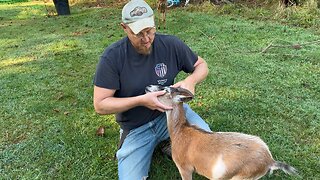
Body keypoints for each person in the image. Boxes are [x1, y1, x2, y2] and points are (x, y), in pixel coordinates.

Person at [93, 0, 211, 179]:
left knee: (209, 147)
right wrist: (141, 100)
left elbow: (201, 65)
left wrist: (191, 80)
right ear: (124, 28)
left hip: (173, 115)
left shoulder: (171, 45)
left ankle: (169, 141)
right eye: (138, 33)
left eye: (149, 31)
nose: (146, 39)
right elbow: (100, 105)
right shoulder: (112, 58)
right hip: (136, 127)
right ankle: (163, 143)